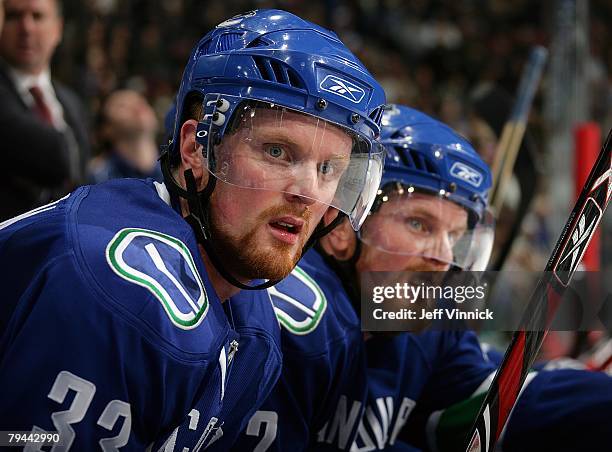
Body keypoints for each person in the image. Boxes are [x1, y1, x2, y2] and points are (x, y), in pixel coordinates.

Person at [0, 9, 386, 450]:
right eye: (278, 151)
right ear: (195, 148)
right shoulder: (119, 293)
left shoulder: (254, 313)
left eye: (329, 169)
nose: (309, 193)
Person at [235, 104, 612, 451]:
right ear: (341, 230)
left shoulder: (421, 320)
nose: (443, 258)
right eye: (419, 224)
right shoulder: (293, 322)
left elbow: (493, 401)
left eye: (455, 237)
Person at [0, 0, 90, 221]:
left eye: (37, 17)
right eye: (13, 16)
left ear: (58, 29)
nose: (26, 28)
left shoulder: (73, 103)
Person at [89, 89, 163, 184]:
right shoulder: (98, 178)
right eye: (122, 106)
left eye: (141, 101)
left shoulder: (176, 171)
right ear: (106, 130)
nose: (136, 107)